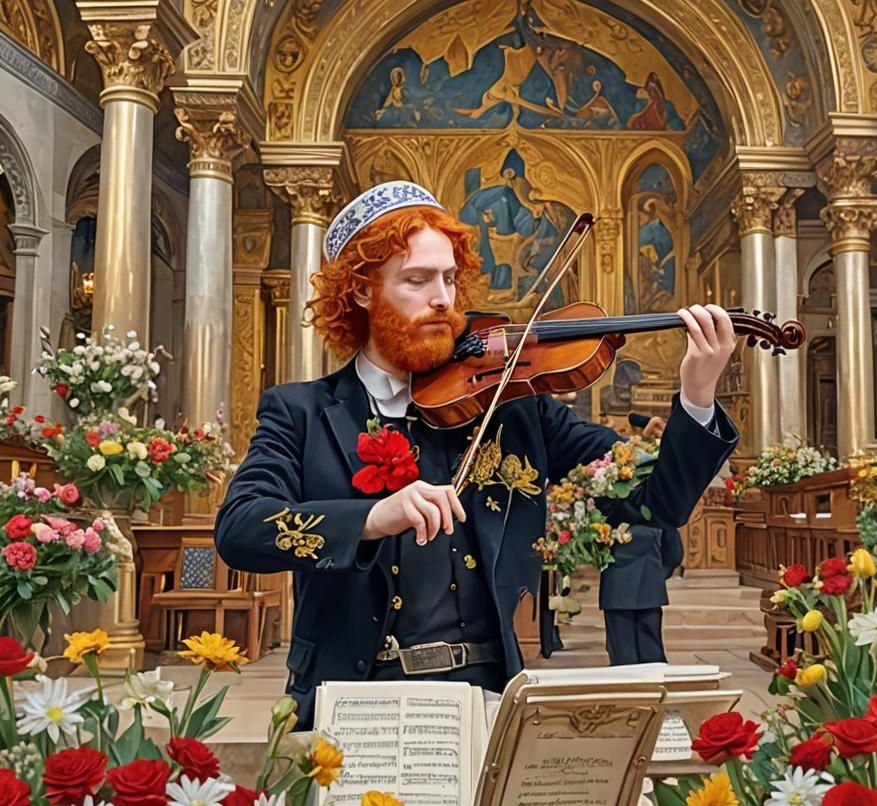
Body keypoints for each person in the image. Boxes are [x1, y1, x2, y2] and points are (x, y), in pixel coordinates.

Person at [214, 180, 738, 727]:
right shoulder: (302, 413)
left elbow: (655, 500)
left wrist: (696, 398)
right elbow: (241, 529)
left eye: (449, 277)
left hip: (484, 701)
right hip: (348, 700)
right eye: (417, 280)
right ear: (363, 290)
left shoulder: (514, 408)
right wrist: (370, 518)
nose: (443, 298)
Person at [598, 414, 682, 665]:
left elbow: (595, 542)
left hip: (616, 589)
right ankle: (655, 700)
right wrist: (659, 572)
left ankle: (625, 700)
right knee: (651, 652)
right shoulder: (658, 509)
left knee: (622, 656)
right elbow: (674, 553)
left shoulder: (609, 506)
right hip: (651, 586)